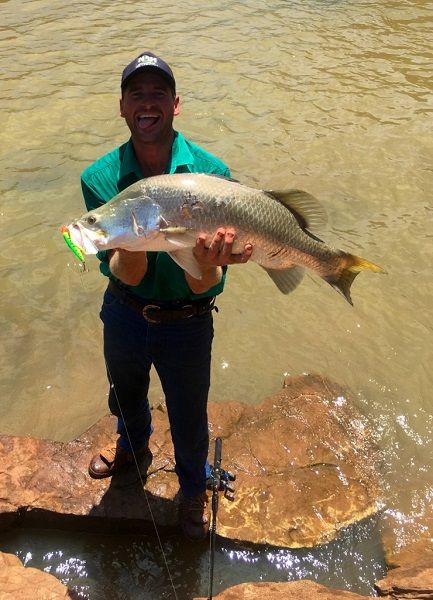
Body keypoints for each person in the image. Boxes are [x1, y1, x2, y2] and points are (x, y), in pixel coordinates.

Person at [81, 51, 252, 542]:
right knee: (125, 393)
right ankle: (133, 449)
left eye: (158, 93)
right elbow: (121, 271)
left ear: (176, 105)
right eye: (137, 93)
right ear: (122, 107)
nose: (148, 103)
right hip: (125, 311)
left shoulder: (211, 173)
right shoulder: (99, 179)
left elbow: (205, 282)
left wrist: (217, 258)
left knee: (188, 409)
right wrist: (130, 242)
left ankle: (193, 488)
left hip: (189, 319)